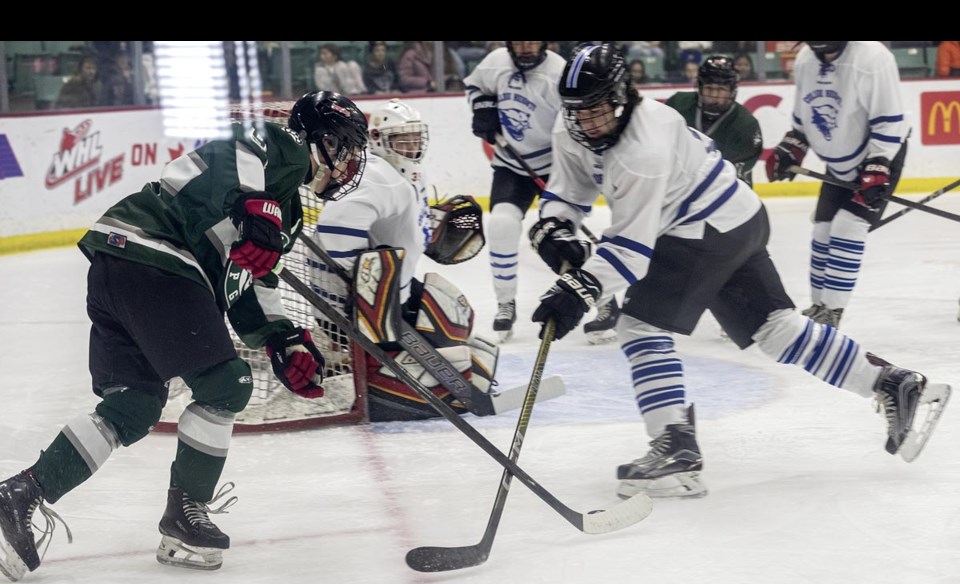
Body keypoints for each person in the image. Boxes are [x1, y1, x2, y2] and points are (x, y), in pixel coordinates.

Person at [527, 43, 948, 501]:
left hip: (702, 227)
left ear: (622, 95)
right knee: (775, 328)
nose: (588, 123)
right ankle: (892, 383)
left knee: (639, 325)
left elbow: (632, 249)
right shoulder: (578, 128)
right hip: (736, 217)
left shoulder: (642, 147)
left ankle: (676, 449)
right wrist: (554, 225)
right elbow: (568, 191)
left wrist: (579, 289)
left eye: (597, 110)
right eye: (577, 113)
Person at [0, 91, 369, 581]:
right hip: (157, 256)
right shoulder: (281, 145)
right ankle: (185, 514)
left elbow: (249, 281)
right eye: (344, 149)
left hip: (120, 263)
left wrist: (281, 337)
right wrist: (256, 204)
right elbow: (241, 143)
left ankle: (21, 493)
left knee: (133, 404)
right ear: (320, 140)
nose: (347, 165)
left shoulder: (287, 211)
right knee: (227, 384)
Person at [307, 99, 490, 420]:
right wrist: (370, 284)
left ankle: (354, 358)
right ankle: (370, 369)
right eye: (400, 139)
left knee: (462, 317)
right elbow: (333, 226)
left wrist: (432, 226)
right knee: (457, 343)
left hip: (393, 294)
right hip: (366, 312)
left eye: (414, 138)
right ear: (378, 140)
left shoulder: (402, 173)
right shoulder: (380, 177)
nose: (411, 147)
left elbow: (395, 224)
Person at [766, 42, 909, 329]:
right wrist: (792, 146)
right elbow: (803, 119)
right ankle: (818, 306)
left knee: (847, 226)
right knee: (822, 230)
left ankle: (833, 311)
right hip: (839, 164)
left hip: (879, 156)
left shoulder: (872, 57)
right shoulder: (806, 59)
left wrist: (878, 165)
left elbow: (890, 120)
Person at [463, 40, 565, 341]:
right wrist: (482, 107)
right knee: (501, 225)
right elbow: (475, 87)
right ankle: (505, 302)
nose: (525, 48)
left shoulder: (559, 74)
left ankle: (599, 297)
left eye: (531, 42)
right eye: (518, 42)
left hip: (556, 166)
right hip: (511, 164)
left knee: (561, 236)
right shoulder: (496, 62)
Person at [666, 55, 762, 187]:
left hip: (726, 197)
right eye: (709, 88)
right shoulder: (677, 105)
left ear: (732, 91)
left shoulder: (746, 126)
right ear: (700, 87)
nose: (714, 96)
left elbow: (731, 179)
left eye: (721, 90)